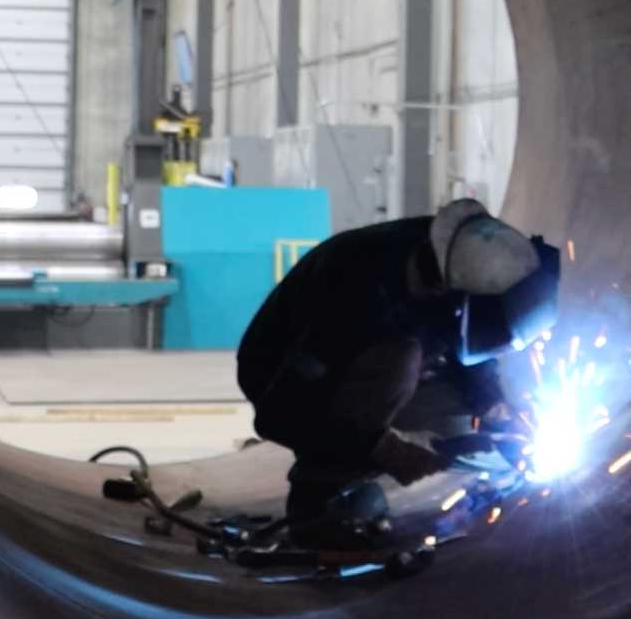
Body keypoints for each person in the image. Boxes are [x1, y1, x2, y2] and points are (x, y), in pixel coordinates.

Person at [237, 199, 560, 542]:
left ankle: (364, 443)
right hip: (280, 377)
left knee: (462, 429)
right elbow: (276, 416)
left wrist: (495, 406)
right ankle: (319, 496)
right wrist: (381, 447)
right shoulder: (351, 291)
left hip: (367, 362)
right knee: (400, 363)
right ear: (445, 291)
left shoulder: (453, 261)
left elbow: (469, 338)